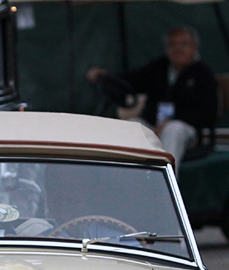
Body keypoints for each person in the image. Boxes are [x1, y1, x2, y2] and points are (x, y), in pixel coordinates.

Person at [86, 25, 218, 173]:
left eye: (184, 44)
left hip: (186, 130)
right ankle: (125, 177)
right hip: (153, 124)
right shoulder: (159, 67)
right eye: (172, 44)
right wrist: (106, 76)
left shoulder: (203, 74)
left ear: (194, 47)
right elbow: (134, 79)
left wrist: (171, 121)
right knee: (131, 126)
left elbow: (208, 113)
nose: (177, 49)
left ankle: (166, 184)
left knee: (173, 130)